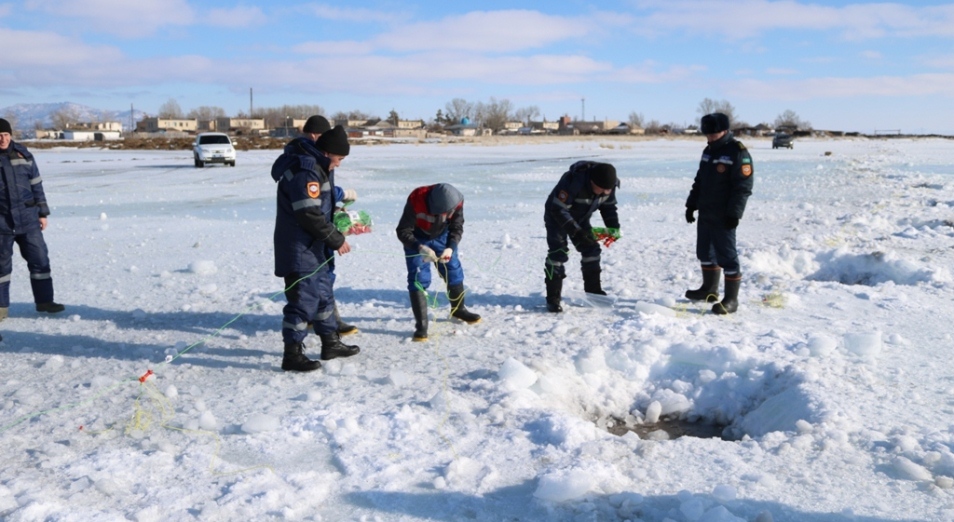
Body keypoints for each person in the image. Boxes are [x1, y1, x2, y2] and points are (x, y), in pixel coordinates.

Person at [271, 125, 359, 372]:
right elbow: (308, 214)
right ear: (328, 152)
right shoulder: (306, 171)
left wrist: (341, 219)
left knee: (323, 295)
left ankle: (330, 342)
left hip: (315, 246)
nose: (340, 164)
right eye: (340, 159)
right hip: (300, 248)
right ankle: (292, 355)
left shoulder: (320, 166)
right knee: (303, 302)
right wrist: (336, 238)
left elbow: (320, 207)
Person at [684, 112, 754, 314]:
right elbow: (700, 181)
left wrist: (735, 214)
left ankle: (731, 300)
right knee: (704, 252)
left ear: (724, 130)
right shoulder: (709, 151)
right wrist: (691, 205)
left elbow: (743, 187)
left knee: (727, 256)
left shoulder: (737, 152)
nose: (710, 137)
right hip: (706, 211)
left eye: (713, 133)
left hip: (724, 215)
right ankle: (709, 290)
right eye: (707, 133)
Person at [396, 183, 481, 342]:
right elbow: (402, 231)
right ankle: (421, 326)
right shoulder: (416, 199)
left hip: (442, 237)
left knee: (453, 271)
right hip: (417, 238)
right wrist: (419, 247)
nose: (449, 215)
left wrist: (451, 247)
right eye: (446, 213)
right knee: (418, 278)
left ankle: (458, 310)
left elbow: (456, 227)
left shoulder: (457, 201)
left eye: (451, 212)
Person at [299, 115, 360, 336]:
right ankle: (326, 321)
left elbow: (322, 192)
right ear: (316, 135)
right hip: (312, 233)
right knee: (318, 276)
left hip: (322, 224)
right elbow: (310, 200)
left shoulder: (316, 156)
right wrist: (338, 196)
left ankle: (318, 318)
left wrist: (335, 206)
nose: (338, 163)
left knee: (323, 274)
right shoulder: (307, 160)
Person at [0, 118, 65, 321]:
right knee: (1, 267)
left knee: (40, 261)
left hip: (28, 219)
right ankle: (1, 309)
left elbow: (36, 185)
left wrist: (42, 213)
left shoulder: (24, 154)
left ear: (11, 135)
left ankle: (44, 301)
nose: (3, 139)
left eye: (6, 135)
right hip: (2, 222)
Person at [543, 161, 620, 313]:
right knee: (558, 253)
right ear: (592, 182)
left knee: (591, 250)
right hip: (556, 215)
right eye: (603, 189)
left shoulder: (608, 186)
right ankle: (553, 299)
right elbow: (558, 210)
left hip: (581, 217)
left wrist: (613, 227)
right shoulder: (573, 182)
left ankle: (594, 292)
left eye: (608, 190)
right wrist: (577, 233)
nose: (606, 193)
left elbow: (608, 207)